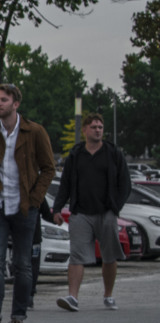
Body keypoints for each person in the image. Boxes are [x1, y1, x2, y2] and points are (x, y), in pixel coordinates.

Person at [0, 83, 56, 323]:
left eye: (4, 100)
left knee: (22, 263)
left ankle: (18, 315)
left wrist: (35, 199)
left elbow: (48, 169)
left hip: (25, 207)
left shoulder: (35, 132)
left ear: (16, 104)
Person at [50, 112, 132, 311]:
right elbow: (65, 184)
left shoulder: (113, 153)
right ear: (85, 130)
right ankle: (73, 297)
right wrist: (57, 208)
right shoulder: (76, 154)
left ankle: (108, 295)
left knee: (109, 256)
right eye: (93, 127)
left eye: (100, 127)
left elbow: (125, 184)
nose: (97, 130)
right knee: (77, 255)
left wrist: (115, 208)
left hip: (106, 212)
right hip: (81, 213)